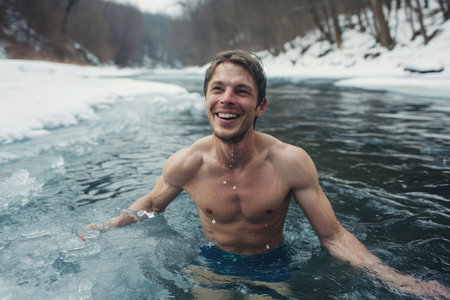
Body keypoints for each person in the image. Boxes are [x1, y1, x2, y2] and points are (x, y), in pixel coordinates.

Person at [81, 49, 450, 298]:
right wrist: (106, 227)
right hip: (213, 262)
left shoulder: (290, 162)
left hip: (271, 264)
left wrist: (397, 279)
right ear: (207, 100)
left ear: (260, 106)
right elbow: (150, 204)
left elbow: (334, 236)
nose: (227, 99)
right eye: (218, 89)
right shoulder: (187, 164)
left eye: (241, 92)